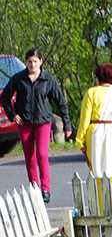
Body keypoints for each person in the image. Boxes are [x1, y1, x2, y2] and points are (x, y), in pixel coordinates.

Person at [0, 48, 72, 203]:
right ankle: (34, 187)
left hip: (43, 122)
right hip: (24, 122)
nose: (32, 64)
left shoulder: (49, 80)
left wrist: (67, 126)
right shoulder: (18, 79)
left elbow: (61, 103)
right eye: (29, 61)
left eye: (35, 61)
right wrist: (12, 115)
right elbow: (4, 98)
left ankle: (46, 189)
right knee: (29, 156)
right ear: (26, 62)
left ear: (41, 61)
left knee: (41, 154)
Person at [74, 63, 112, 216]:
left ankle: (105, 213)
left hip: (96, 134)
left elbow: (84, 120)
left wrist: (81, 141)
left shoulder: (92, 93)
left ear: (98, 77)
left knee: (100, 173)